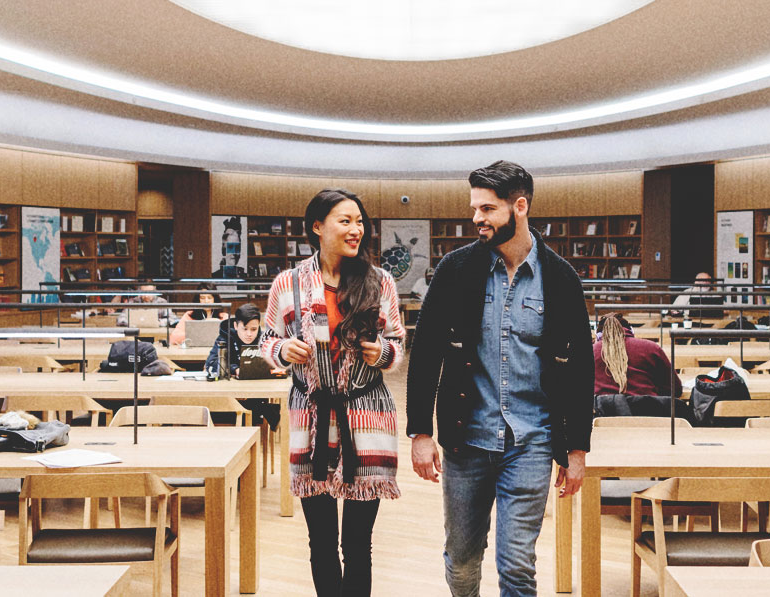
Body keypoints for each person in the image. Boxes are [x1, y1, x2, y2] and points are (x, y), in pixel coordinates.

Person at [408, 160, 594, 596]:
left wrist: (577, 447)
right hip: (465, 438)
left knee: (516, 566)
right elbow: (427, 353)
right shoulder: (455, 271)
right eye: (475, 208)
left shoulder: (561, 279)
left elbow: (581, 370)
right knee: (462, 559)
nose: (477, 219)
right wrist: (419, 431)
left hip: (531, 440)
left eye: (488, 209)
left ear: (520, 207)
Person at [259, 188, 405, 596]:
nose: (356, 229)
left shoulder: (380, 282)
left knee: (358, 543)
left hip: (367, 415)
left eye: (360, 222)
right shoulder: (287, 283)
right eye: (346, 221)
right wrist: (283, 349)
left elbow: (397, 345)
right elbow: (267, 341)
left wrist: (381, 353)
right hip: (312, 414)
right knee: (321, 542)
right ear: (317, 227)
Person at [593, 312, 681, 398]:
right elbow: (675, 389)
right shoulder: (651, 348)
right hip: (648, 410)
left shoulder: (594, 350)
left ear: (599, 335)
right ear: (631, 330)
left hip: (604, 410)